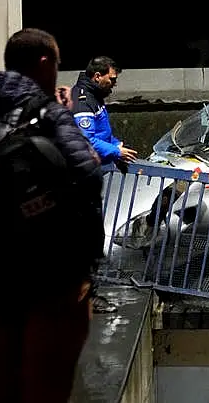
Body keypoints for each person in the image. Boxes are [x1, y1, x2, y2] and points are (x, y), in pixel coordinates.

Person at [0, 27, 104, 403]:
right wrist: (86, 267)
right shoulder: (47, 114)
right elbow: (89, 178)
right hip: (49, 280)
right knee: (46, 387)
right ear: (45, 64)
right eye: (57, 64)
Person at [71, 56, 137, 313]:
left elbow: (102, 135)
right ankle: (86, 296)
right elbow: (85, 140)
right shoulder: (83, 101)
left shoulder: (93, 99)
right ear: (97, 76)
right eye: (112, 79)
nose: (114, 85)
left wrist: (116, 146)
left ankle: (87, 293)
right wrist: (116, 152)